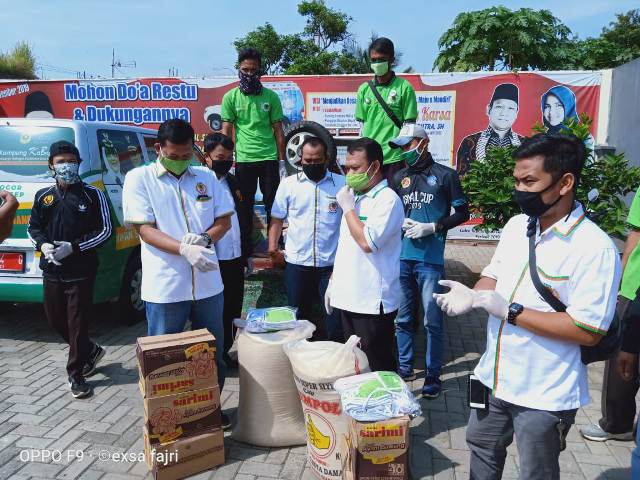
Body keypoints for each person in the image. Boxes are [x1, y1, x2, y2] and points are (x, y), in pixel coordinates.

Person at [434, 133, 621, 480]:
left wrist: (511, 312)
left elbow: (589, 330)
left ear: (565, 183)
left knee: (536, 472)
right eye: (517, 180)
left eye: (530, 181)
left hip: (544, 394)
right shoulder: (517, 226)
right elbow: (492, 275)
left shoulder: (594, 249)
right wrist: (475, 295)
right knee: (481, 451)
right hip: (493, 379)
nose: (520, 189)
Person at [123, 119, 234, 428]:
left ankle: (209, 409)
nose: (183, 160)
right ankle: (165, 419)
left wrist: (205, 240)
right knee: (164, 357)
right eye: (176, 154)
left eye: (188, 154)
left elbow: (223, 220)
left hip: (209, 282)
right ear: (158, 149)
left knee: (212, 354)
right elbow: (144, 229)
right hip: (166, 285)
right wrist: (183, 249)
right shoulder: (140, 179)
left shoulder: (206, 177)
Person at [388, 124, 469, 397]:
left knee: (432, 321)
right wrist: (399, 225)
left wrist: (433, 227)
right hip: (402, 258)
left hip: (430, 260)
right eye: (401, 147)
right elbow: (391, 214)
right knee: (402, 318)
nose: (404, 151)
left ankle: (433, 375)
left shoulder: (446, 176)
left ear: (423, 143)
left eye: (407, 145)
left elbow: (463, 213)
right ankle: (404, 367)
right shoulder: (399, 177)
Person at [27, 141, 113, 399]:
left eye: (70, 161)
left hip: (82, 270)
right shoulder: (44, 196)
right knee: (55, 319)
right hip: (52, 268)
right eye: (60, 162)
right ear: (51, 166)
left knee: (77, 323)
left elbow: (105, 231)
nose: (66, 166)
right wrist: (43, 245)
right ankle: (90, 350)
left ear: (79, 163)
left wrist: (74, 248)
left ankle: (76, 375)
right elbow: (33, 228)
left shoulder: (92, 194)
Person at [326, 138, 404, 371]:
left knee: (377, 365)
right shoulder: (356, 196)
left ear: (375, 167)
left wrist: (348, 209)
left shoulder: (387, 200)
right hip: (348, 296)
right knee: (355, 365)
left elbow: (367, 242)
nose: (349, 174)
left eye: (356, 168)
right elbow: (346, 247)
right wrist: (333, 281)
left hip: (371, 302)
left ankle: (390, 406)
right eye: (347, 167)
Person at [268, 136, 345, 341]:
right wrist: (273, 249)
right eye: (307, 161)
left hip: (331, 265)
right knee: (297, 319)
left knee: (334, 319)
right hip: (297, 263)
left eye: (317, 161)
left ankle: (333, 361)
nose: (312, 165)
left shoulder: (342, 185)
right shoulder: (289, 184)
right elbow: (276, 219)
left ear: (326, 158)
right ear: (300, 159)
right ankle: (300, 363)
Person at [580, 188, 640, 442]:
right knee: (622, 360)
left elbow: (635, 235)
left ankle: (617, 424)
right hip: (634, 288)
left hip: (633, 288)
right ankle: (617, 423)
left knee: (622, 361)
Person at [221, 47, 286, 271]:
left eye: (254, 70)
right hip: (244, 161)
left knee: (273, 206)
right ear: (239, 70)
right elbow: (226, 131)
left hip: (268, 159)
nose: (249, 74)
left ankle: (275, 248)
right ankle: (244, 255)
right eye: (245, 70)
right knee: (243, 208)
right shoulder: (230, 97)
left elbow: (279, 131)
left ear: (260, 71)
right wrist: (225, 159)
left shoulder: (271, 97)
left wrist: (281, 161)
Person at [201, 132, 244, 368]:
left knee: (233, 308)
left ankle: (225, 351)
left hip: (234, 257)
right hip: (211, 259)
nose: (226, 161)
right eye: (220, 156)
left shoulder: (232, 181)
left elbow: (241, 219)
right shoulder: (200, 183)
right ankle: (210, 358)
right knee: (213, 312)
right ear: (207, 157)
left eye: (229, 156)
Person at [355, 37, 417, 184]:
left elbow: (409, 127)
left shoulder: (404, 87)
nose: (377, 64)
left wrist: (407, 155)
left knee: (394, 201)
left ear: (392, 60)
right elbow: (361, 127)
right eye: (374, 60)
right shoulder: (364, 89)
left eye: (381, 59)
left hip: (395, 158)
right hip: (369, 159)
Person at [456, 83, 524, 176]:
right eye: (499, 107)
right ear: (489, 109)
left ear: (516, 113)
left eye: (511, 108)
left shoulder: (526, 144)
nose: (504, 113)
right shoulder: (470, 142)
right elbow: (461, 180)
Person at [540, 85, 595, 151]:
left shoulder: (583, 137)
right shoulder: (543, 137)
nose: (551, 112)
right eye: (547, 106)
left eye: (558, 105)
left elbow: (587, 160)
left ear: (568, 107)